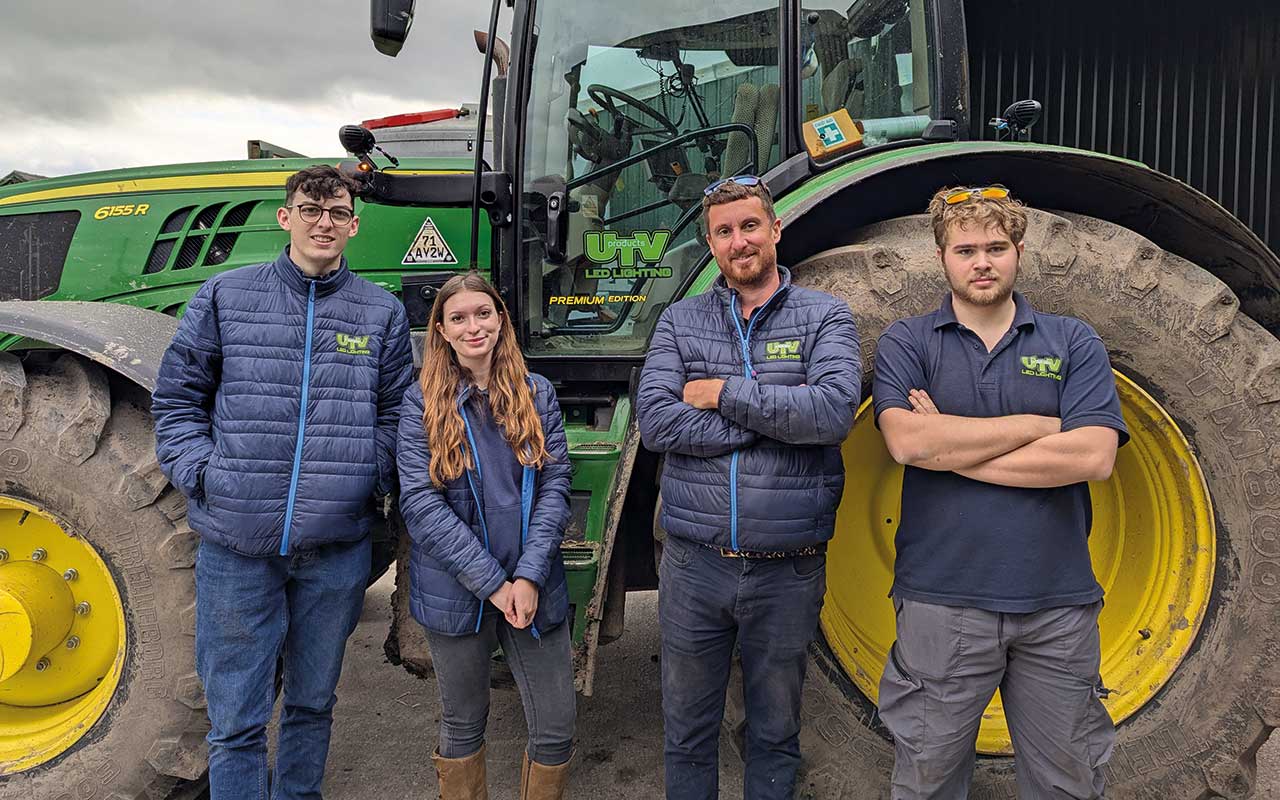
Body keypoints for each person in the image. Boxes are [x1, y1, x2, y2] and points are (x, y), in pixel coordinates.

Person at [151, 164, 413, 799]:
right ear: (286, 217)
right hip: (238, 547)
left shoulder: (379, 311)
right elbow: (177, 401)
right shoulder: (226, 296)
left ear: (354, 224)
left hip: (335, 547)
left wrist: (362, 473)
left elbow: (399, 412)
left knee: (311, 703)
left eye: (337, 212)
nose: (325, 222)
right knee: (236, 719)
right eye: (311, 209)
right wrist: (205, 475)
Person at [873, 185, 1128, 799]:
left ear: (1018, 250)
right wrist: (1038, 428)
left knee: (1068, 783)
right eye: (966, 250)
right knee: (928, 782)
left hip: (1057, 609)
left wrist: (951, 447)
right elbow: (908, 444)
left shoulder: (1073, 341)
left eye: (996, 247)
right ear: (942, 259)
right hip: (942, 604)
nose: (981, 261)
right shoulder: (908, 342)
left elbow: (1094, 456)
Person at [636, 175, 861, 799]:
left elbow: (833, 413)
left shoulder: (826, 316)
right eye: (725, 231)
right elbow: (656, 421)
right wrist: (771, 424)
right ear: (711, 245)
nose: (740, 241)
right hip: (693, 568)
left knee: (774, 732)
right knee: (686, 731)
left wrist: (724, 395)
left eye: (750, 226)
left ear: (775, 229)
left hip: (785, 571)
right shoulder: (682, 320)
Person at [397, 272, 575, 800]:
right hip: (458, 590)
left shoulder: (536, 394)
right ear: (443, 332)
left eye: (483, 313)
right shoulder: (420, 404)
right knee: (463, 722)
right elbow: (421, 504)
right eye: (459, 318)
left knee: (556, 727)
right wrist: (493, 583)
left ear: (501, 320)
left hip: (532, 586)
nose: (473, 326)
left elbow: (555, 484)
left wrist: (528, 574)